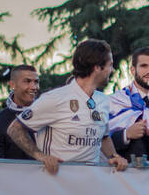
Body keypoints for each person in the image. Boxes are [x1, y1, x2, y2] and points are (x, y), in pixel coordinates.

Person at [8, 39, 129, 174]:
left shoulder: (103, 100)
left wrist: (114, 157)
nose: (112, 70)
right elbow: (15, 129)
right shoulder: (55, 98)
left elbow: (104, 137)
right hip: (57, 185)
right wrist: (40, 156)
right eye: (110, 65)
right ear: (97, 67)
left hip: (90, 183)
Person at [0, 65, 41, 159]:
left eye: (36, 82)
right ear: (12, 85)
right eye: (27, 81)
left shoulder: (47, 114)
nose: (33, 87)